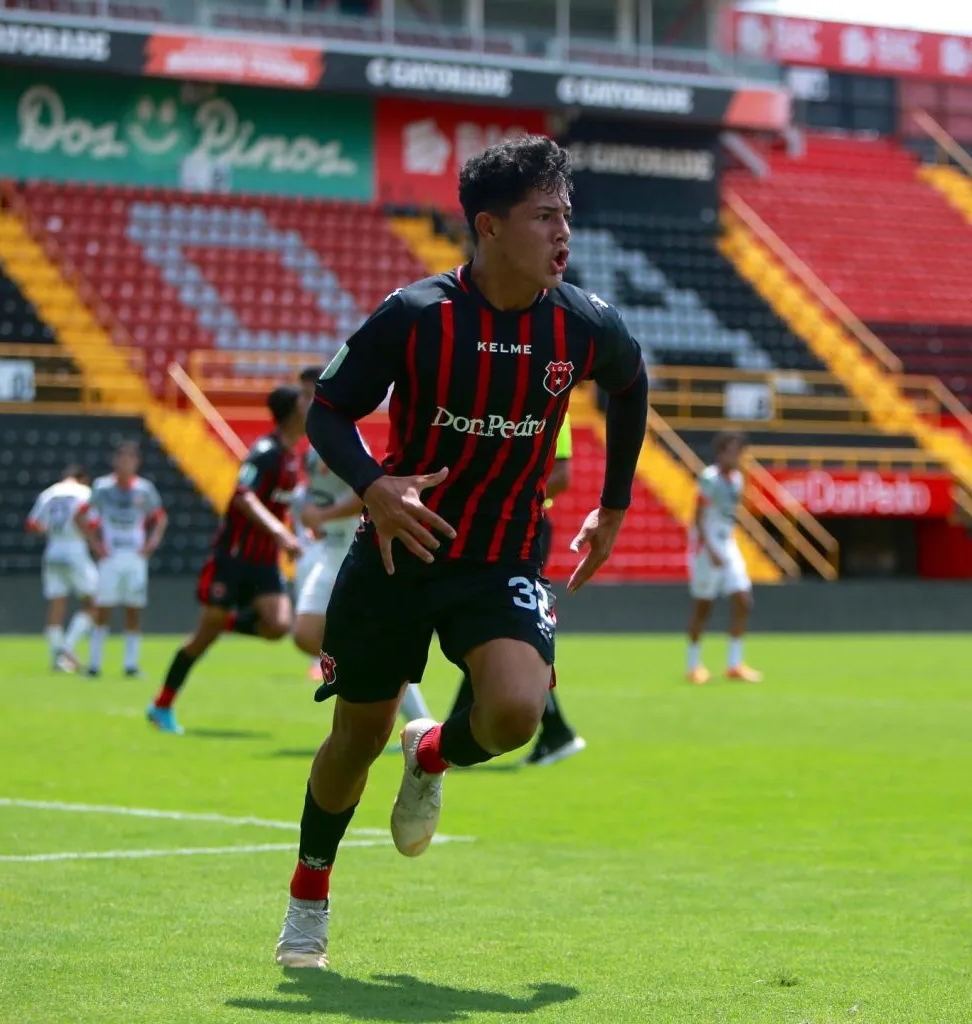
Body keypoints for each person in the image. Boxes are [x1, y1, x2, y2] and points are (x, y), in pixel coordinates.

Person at [272, 135, 649, 969]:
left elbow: (632, 382)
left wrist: (615, 503)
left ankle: (432, 751)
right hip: (400, 552)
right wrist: (373, 484)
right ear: (489, 226)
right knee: (354, 739)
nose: (563, 233)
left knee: (515, 712)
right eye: (544, 216)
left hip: (501, 555)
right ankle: (308, 896)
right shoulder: (416, 315)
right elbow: (330, 409)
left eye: (566, 216)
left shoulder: (583, 323)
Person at [146, 386, 307, 734]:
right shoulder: (264, 453)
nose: (310, 408)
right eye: (304, 403)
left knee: (278, 626)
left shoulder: (292, 458)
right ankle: (161, 706)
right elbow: (243, 496)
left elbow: (282, 506)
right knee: (202, 637)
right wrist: (280, 533)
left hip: (265, 561)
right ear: (292, 412)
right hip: (234, 557)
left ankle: (224, 622)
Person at [293, 366, 435, 724]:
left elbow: (368, 493)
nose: (303, 403)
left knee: (341, 640)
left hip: (350, 550)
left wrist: (322, 517)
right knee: (307, 634)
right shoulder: (313, 448)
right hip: (329, 551)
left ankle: (415, 721)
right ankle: (392, 699)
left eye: (309, 394)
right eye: (302, 395)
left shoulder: (345, 440)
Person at [446, 413, 585, 766]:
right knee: (489, 628)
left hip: (521, 526)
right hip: (491, 524)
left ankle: (455, 738)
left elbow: (562, 476)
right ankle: (457, 737)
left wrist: (505, 500)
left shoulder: (553, 405)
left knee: (500, 628)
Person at [77, 441, 166, 678]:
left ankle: (131, 665)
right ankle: (94, 664)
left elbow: (160, 518)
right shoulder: (102, 487)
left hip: (135, 558)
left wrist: (151, 543)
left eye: (130, 459)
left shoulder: (144, 489)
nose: (125, 463)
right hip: (110, 558)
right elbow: (81, 515)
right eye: (121, 458)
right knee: (103, 609)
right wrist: (95, 544)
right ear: (115, 461)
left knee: (133, 610)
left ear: (137, 463)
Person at [685, 431, 762, 685]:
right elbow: (697, 518)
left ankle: (734, 664)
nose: (737, 456)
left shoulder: (737, 479)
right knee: (703, 605)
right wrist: (711, 549)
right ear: (720, 453)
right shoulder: (709, 479)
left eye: (739, 451)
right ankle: (693, 665)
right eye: (732, 450)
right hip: (706, 546)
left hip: (727, 543)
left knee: (743, 599)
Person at [25, 464, 98, 671]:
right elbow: (93, 523)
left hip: (53, 549)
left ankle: (56, 658)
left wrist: (51, 530)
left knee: (57, 603)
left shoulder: (49, 493)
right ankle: (66, 648)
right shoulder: (85, 492)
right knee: (95, 603)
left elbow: (32, 524)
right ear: (83, 478)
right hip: (75, 549)